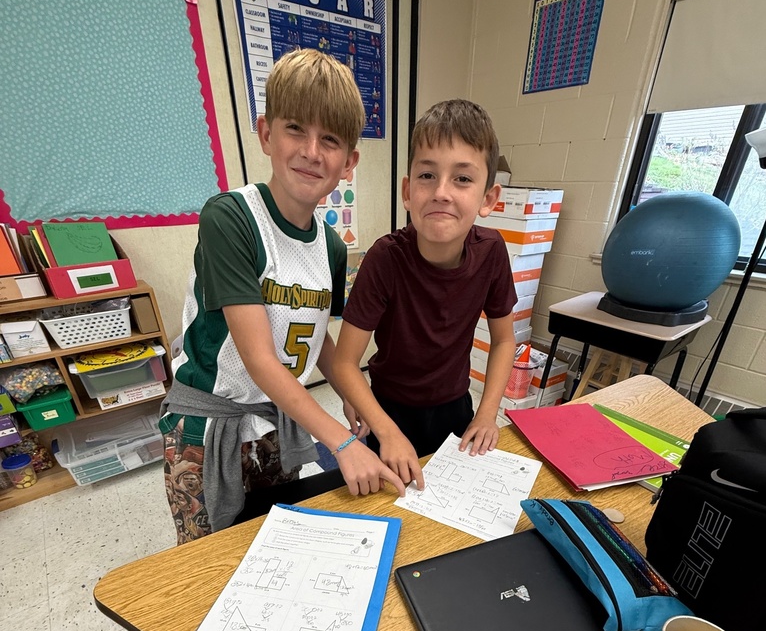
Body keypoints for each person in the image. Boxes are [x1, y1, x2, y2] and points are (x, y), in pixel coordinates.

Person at [160, 48, 406, 547]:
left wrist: (375, 417)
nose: (312, 152)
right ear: (267, 132)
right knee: (212, 557)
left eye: (330, 140)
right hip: (208, 428)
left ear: (349, 162)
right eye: (296, 129)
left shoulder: (332, 246)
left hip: (280, 419)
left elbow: (324, 345)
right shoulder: (231, 219)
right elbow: (259, 361)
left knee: (277, 542)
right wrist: (339, 439)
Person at [335, 99, 517, 490]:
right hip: (387, 410)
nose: (441, 192)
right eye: (427, 176)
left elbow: (504, 340)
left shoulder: (492, 252)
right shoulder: (384, 258)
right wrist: (386, 431)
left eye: (463, 179)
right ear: (408, 191)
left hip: (455, 408)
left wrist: (487, 414)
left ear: (489, 198)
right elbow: (346, 362)